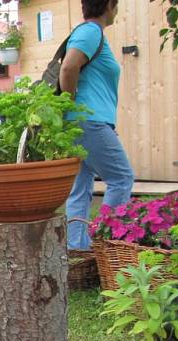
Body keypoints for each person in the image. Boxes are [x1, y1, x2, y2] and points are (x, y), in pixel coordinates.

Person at [61, 0, 134, 250]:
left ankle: (76, 247)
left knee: (81, 185)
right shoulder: (91, 31)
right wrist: (70, 105)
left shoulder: (90, 33)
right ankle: (106, 242)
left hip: (86, 122)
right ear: (109, 5)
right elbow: (69, 66)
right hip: (88, 121)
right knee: (121, 179)